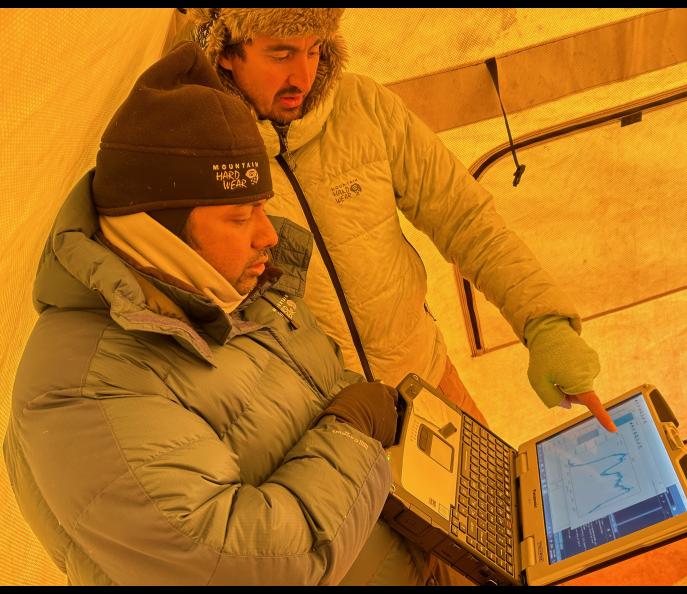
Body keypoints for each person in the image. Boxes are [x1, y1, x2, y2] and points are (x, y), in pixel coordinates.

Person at [2, 41, 413, 586]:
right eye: (241, 216)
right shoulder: (81, 392)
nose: (267, 235)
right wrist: (353, 430)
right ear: (158, 229)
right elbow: (249, 568)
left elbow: (298, 414)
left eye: (263, 209)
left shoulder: (231, 294)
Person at [181, 7, 618, 434]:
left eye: (314, 50)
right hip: (323, 429)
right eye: (281, 55)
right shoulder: (197, 146)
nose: (303, 76)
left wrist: (543, 323)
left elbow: (464, 217)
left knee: (505, 504)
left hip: (428, 382)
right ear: (225, 50)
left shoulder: (364, 106)